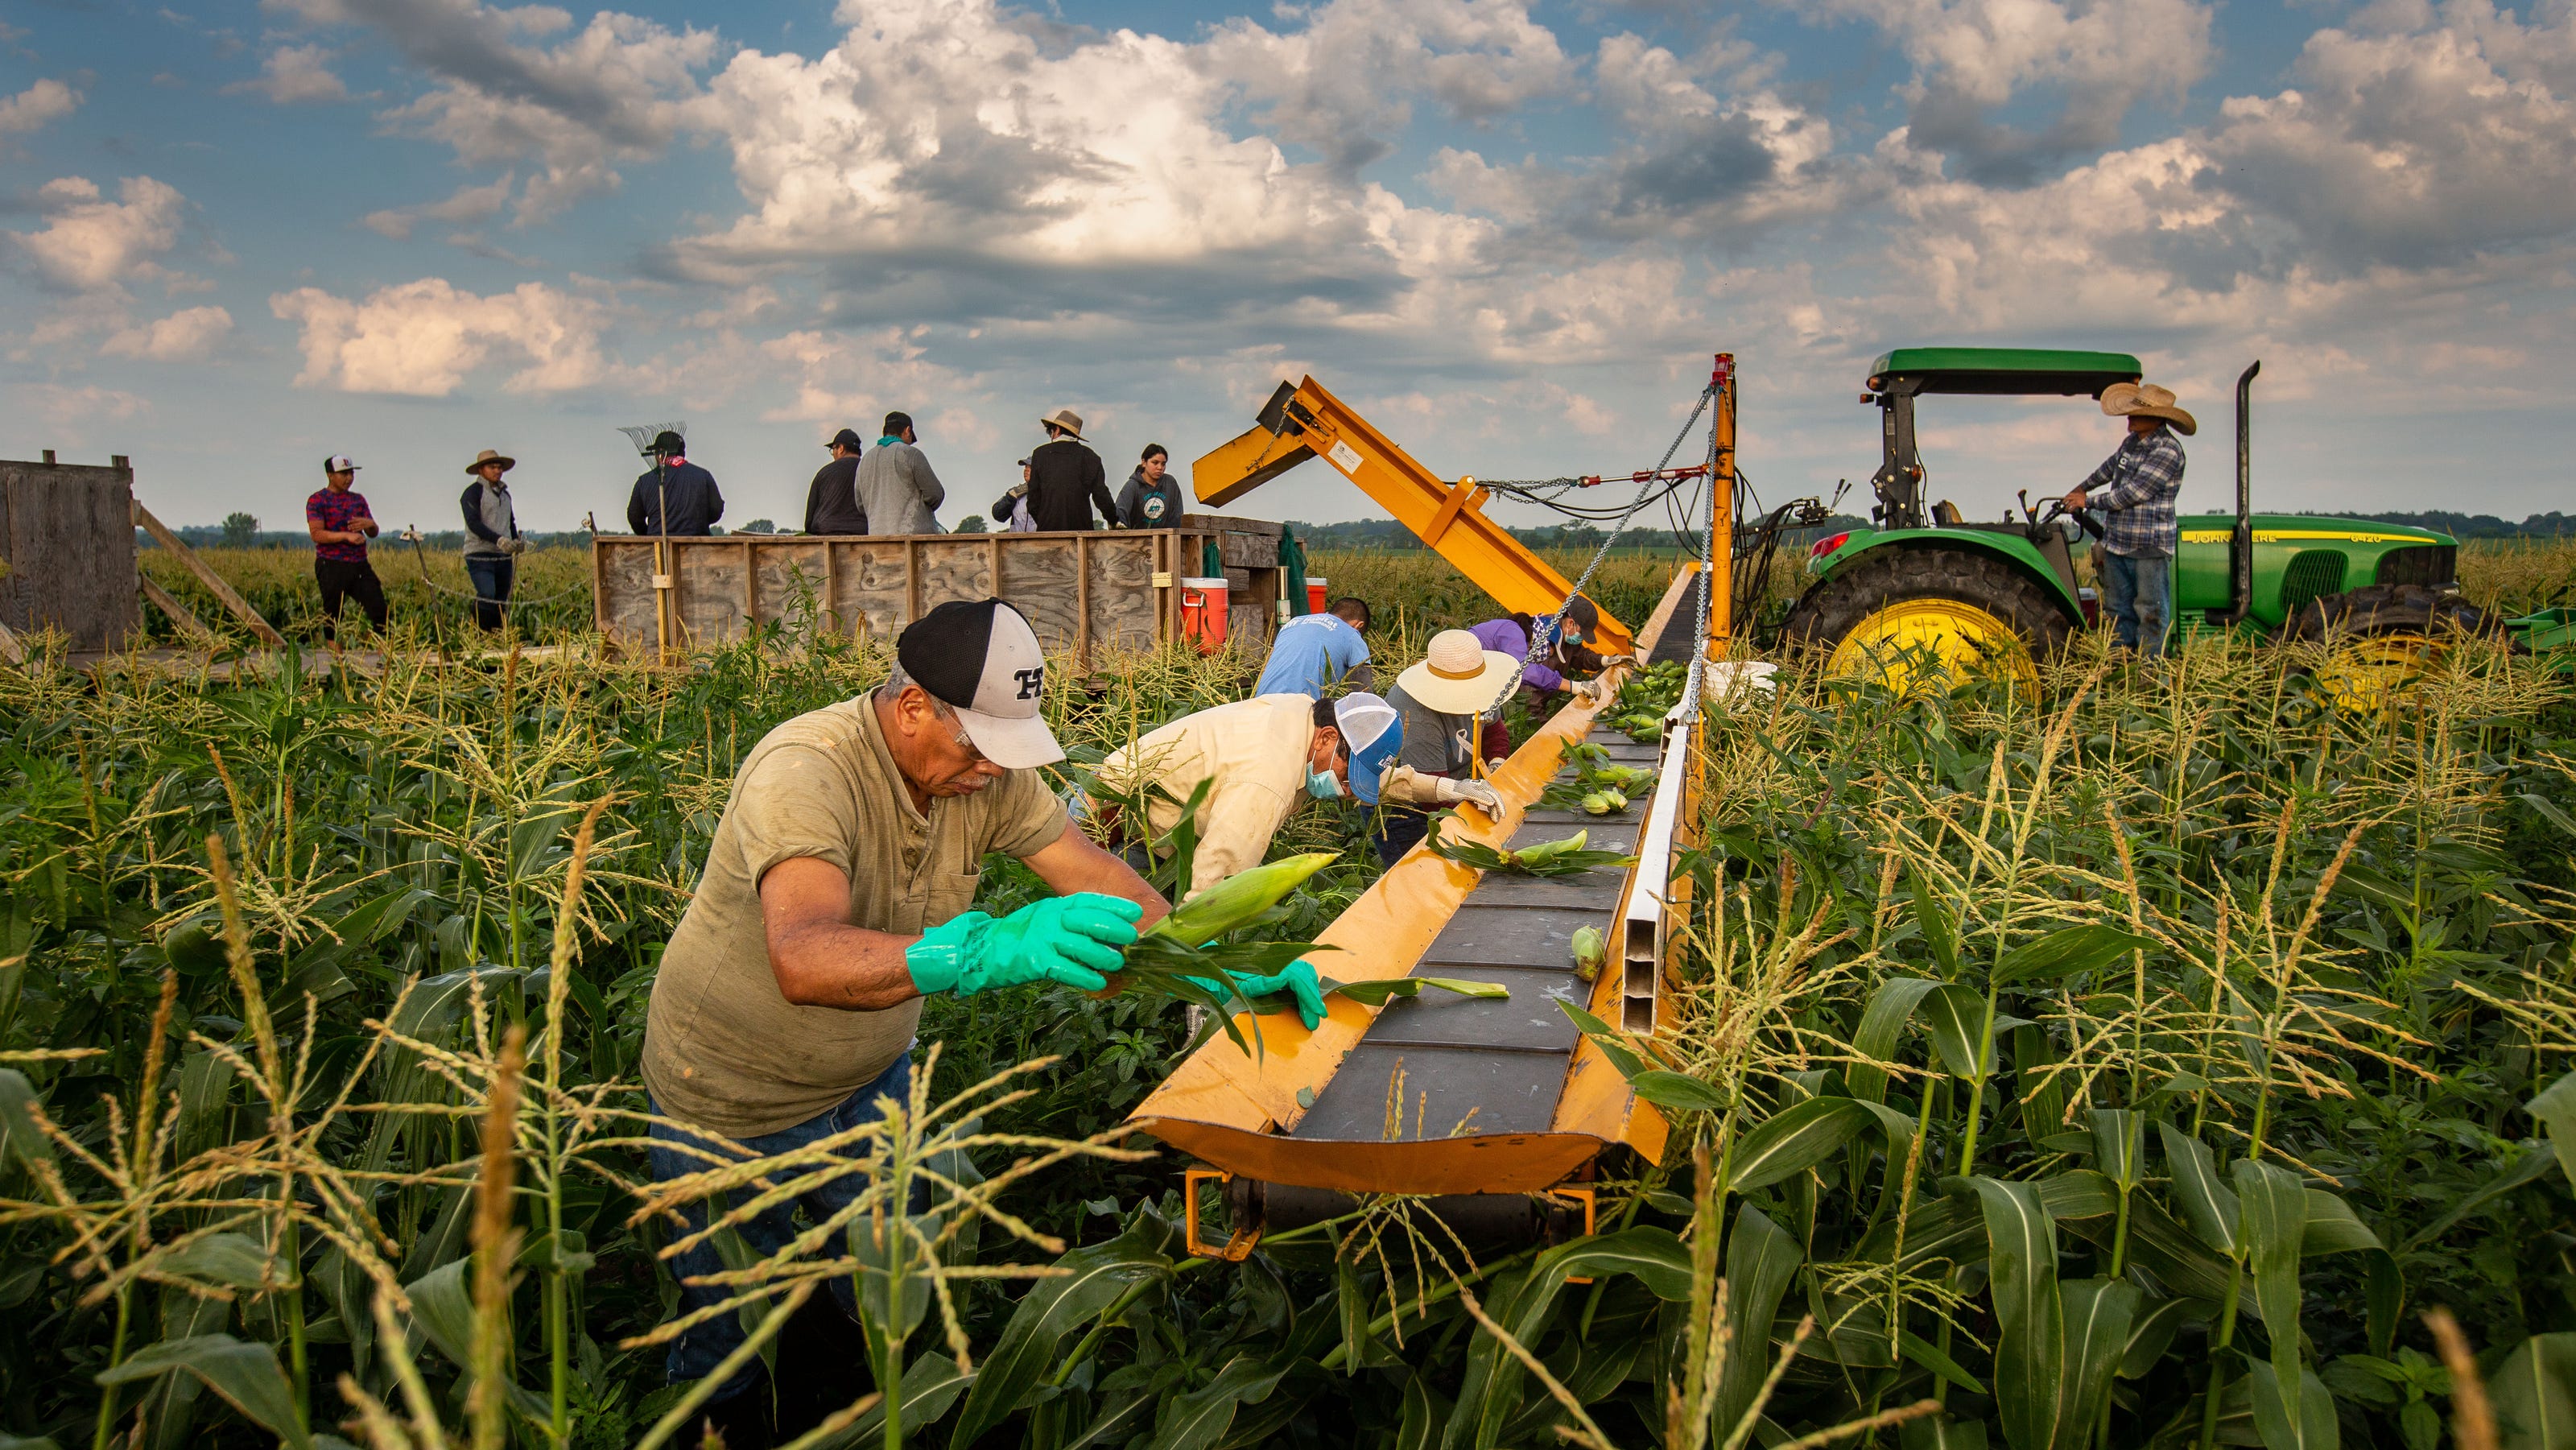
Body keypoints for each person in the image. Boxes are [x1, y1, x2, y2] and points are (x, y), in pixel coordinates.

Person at [639, 598, 1168, 1448]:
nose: (993, 771)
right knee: (730, 1330)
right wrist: (977, 953)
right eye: (978, 745)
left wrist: (1215, 966)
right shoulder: (807, 769)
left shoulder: (981, 777)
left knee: (878, 1295)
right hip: (732, 1102)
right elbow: (803, 955)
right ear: (914, 704)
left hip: (871, 1083)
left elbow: (1098, 875)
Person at [2063, 381, 2191, 660]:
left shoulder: (2168, 451)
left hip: (2148, 547)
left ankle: (2150, 677)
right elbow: (2108, 469)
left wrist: (2088, 502)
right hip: (2118, 543)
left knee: (2150, 613)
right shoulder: (2131, 444)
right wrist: (2081, 489)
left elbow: (2133, 494)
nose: (2129, 417)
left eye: (2136, 413)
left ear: (2157, 418)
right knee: (2118, 613)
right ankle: (2121, 674)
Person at [1373, 630, 1518, 866]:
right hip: (1411, 807)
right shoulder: (1416, 714)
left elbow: (1494, 731)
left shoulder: (1484, 689)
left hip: (1456, 788)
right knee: (1424, 875)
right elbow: (1433, 794)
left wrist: (1496, 767)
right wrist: (1479, 813)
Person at [1468, 594, 1620, 757]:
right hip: (1471, 681)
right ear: (1570, 623)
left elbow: (1578, 655)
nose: (1550, 654)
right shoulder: (1522, 639)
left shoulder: (1553, 632)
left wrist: (1604, 660)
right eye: (1582, 634)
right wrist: (1547, 735)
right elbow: (1528, 684)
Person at [305, 454, 386, 638]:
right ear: (330, 475)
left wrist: (370, 525)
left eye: (351, 473)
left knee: (378, 607)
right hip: (331, 564)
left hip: (359, 564)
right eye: (343, 474)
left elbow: (373, 532)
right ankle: (337, 660)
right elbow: (316, 534)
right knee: (334, 614)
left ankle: (385, 658)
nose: (349, 478)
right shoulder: (318, 500)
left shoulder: (358, 500)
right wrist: (346, 536)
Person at [1253, 596, 1373, 698]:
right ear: (1359, 625)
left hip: (1261, 705)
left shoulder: (1291, 624)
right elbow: (1362, 695)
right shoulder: (1352, 635)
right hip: (1301, 711)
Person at [459, 448, 523, 631]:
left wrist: (514, 540)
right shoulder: (472, 493)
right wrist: (498, 539)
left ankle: (497, 635)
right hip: (479, 553)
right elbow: (473, 523)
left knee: (502, 599)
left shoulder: (505, 495)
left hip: (503, 555)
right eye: (492, 467)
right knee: (487, 594)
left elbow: (510, 521)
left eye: (499, 467)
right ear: (481, 470)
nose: (497, 471)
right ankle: (480, 631)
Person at [1025, 407, 1119, 531]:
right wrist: (1113, 520)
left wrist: (1045, 520)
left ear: (1057, 430)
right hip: (1082, 531)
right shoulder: (1091, 457)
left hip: (1048, 532)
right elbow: (1102, 497)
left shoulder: (1040, 455)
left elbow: (1033, 502)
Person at [855, 411, 944, 535]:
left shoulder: (864, 460)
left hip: (877, 540)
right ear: (908, 430)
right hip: (913, 539)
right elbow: (935, 494)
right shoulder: (911, 454)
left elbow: (860, 504)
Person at [625, 431, 724, 536]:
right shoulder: (704, 476)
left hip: (657, 547)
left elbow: (634, 517)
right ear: (683, 453)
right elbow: (717, 510)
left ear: (661, 454)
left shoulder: (644, 481)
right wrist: (698, 523)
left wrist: (649, 535)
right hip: (696, 546)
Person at [803, 428, 869, 536]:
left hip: (826, 533)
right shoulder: (868, 470)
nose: (833, 454)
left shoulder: (824, 473)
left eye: (833, 449)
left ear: (841, 448)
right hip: (862, 533)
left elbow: (809, 518)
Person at [1115, 444, 1184, 529]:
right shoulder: (1132, 486)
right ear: (1144, 462)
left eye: (1163, 464)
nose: (1160, 467)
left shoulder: (1170, 483)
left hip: (1165, 539)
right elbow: (1120, 512)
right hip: (1136, 539)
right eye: (1155, 463)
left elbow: (1177, 516)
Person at [991, 459, 1036, 532]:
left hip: (1040, 542)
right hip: (1016, 542)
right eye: (1025, 467)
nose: (1026, 470)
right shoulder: (1016, 492)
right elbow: (997, 515)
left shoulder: (1048, 494)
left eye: (1030, 467)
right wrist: (1011, 497)